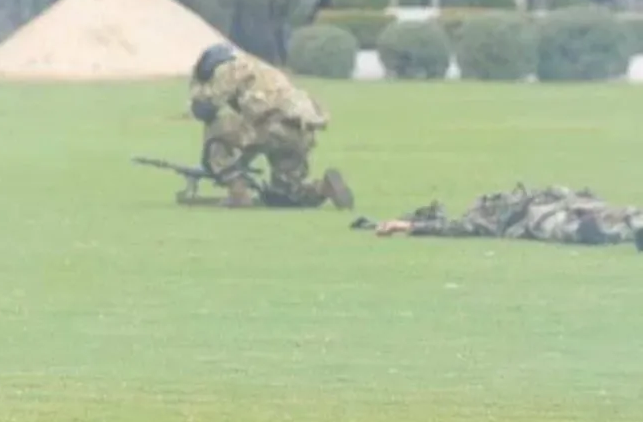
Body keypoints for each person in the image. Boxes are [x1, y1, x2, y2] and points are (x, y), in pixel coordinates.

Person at [187, 43, 354, 210]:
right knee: (283, 195)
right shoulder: (263, 69)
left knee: (216, 130)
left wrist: (222, 167)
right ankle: (323, 188)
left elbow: (204, 109)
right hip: (300, 132)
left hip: (271, 127)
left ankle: (238, 193)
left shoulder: (229, 69)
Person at [365, 183, 643, 245]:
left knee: (599, 220)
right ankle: (627, 226)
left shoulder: (485, 217)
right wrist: (408, 225)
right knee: (611, 218)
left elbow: (453, 227)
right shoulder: (484, 218)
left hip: (552, 210)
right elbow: (451, 227)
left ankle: (628, 226)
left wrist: (407, 225)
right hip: (552, 210)